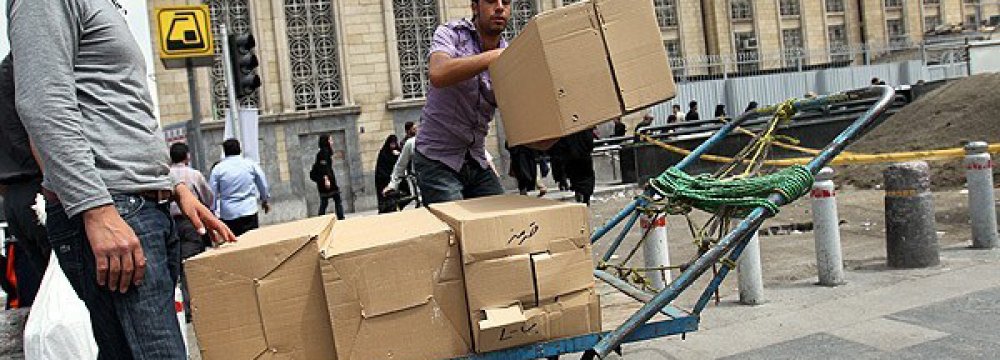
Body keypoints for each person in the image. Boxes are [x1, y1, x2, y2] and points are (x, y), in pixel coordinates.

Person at [9, 0, 236, 356]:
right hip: (114, 209)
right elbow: (43, 104)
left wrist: (174, 186)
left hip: (135, 207)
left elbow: (118, 110)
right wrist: (96, 210)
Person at [412, 0, 511, 205]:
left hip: (476, 159)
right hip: (436, 159)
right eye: (492, 1)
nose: (500, 7)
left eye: (507, 2)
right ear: (474, 7)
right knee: (458, 230)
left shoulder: (509, 54)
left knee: (500, 222)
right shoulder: (450, 33)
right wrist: (493, 57)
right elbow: (438, 73)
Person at [0, 54, 45, 308]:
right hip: (40, 191)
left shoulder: (6, 72)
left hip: (14, 198)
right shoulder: (27, 68)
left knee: (46, 291)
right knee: (74, 292)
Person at [168, 142, 214, 322]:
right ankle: (200, 307)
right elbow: (207, 197)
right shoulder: (194, 175)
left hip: (170, 223)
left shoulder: (166, 175)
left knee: (177, 266)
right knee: (192, 264)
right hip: (190, 223)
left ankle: (185, 308)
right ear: (187, 156)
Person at [210, 139, 271, 236]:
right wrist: (265, 200)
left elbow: (212, 192)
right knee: (252, 240)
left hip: (229, 213)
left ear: (224, 151)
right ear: (240, 149)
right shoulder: (250, 165)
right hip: (249, 209)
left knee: (234, 243)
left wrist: (212, 210)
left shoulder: (218, 169)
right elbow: (262, 183)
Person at [550, 129, 596, 205]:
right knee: (585, 178)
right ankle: (585, 197)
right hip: (583, 156)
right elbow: (589, 142)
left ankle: (580, 193)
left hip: (570, 157)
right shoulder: (584, 127)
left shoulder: (566, 129)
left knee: (576, 178)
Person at [384, 124, 421, 209]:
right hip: (416, 178)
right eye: (414, 129)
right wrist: (392, 185)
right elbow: (400, 166)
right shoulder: (410, 143)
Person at [311, 134, 345, 219]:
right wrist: (326, 179)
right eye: (330, 140)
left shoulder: (324, 152)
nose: (332, 142)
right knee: (336, 199)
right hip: (327, 181)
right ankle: (340, 217)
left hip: (326, 180)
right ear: (326, 142)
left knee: (325, 201)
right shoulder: (323, 153)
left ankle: (321, 217)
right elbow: (324, 167)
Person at [375, 135, 402, 213]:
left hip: (394, 179)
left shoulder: (397, 151)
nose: (393, 146)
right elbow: (381, 169)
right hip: (384, 180)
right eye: (392, 144)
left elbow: (400, 165)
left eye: (394, 143)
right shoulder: (383, 153)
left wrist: (397, 155)